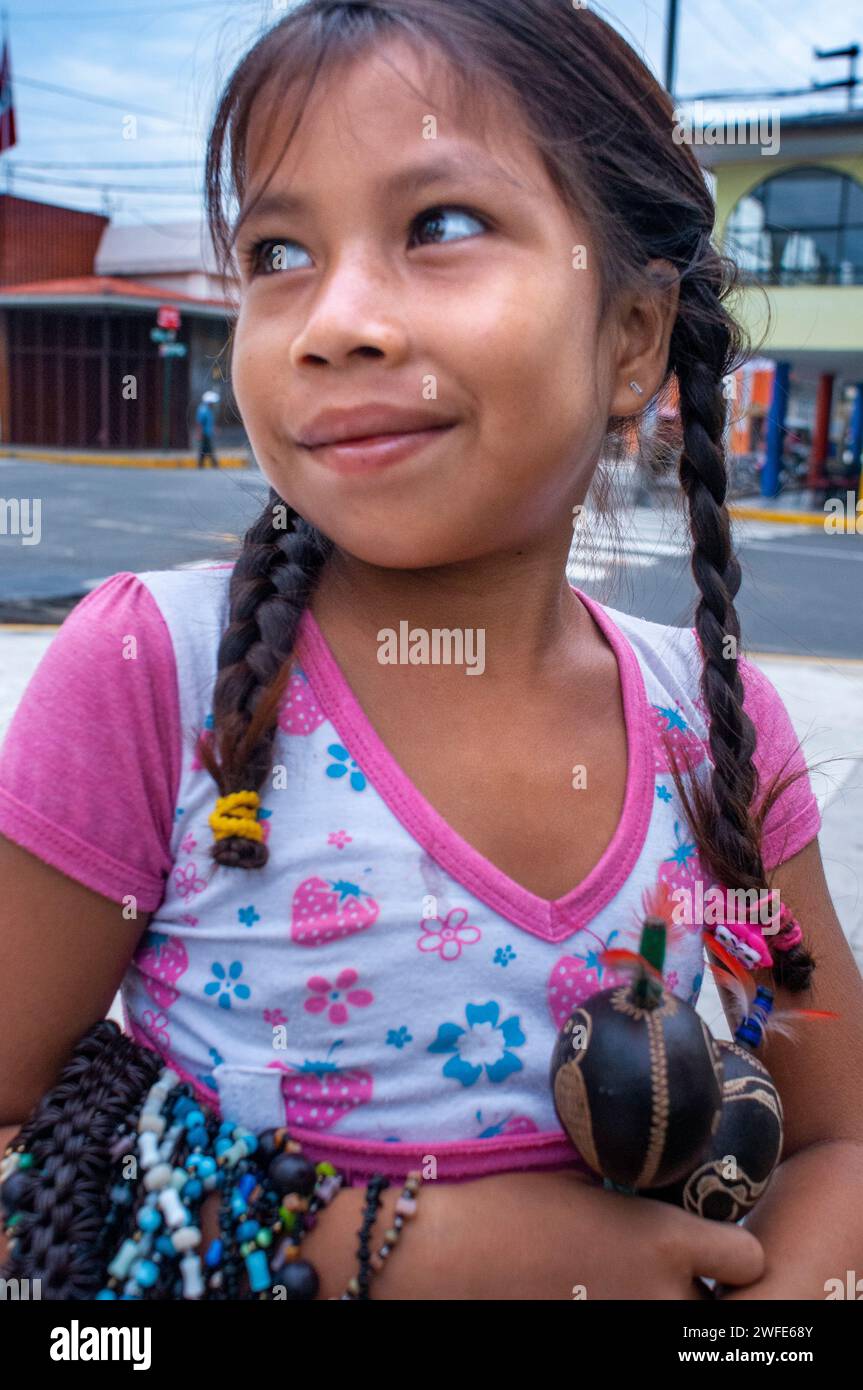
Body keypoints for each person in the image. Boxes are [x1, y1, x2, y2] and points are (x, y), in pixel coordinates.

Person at [2, 0, 862, 1302]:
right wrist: (396, 1251)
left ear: (629, 336)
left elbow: (832, 1132)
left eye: (440, 227)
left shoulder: (713, 734)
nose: (333, 320)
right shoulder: (151, 677)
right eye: (278, 249)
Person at [195, 390, 220, 468]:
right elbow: (200, 423)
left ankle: (201, 464)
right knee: (208, 449)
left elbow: (210, 422)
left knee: (204, 449)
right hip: (204, 433)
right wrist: (199, 434)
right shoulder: (203, 410)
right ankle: (214, 464)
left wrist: (214, 429)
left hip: (208, 433)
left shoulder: (209, 410)